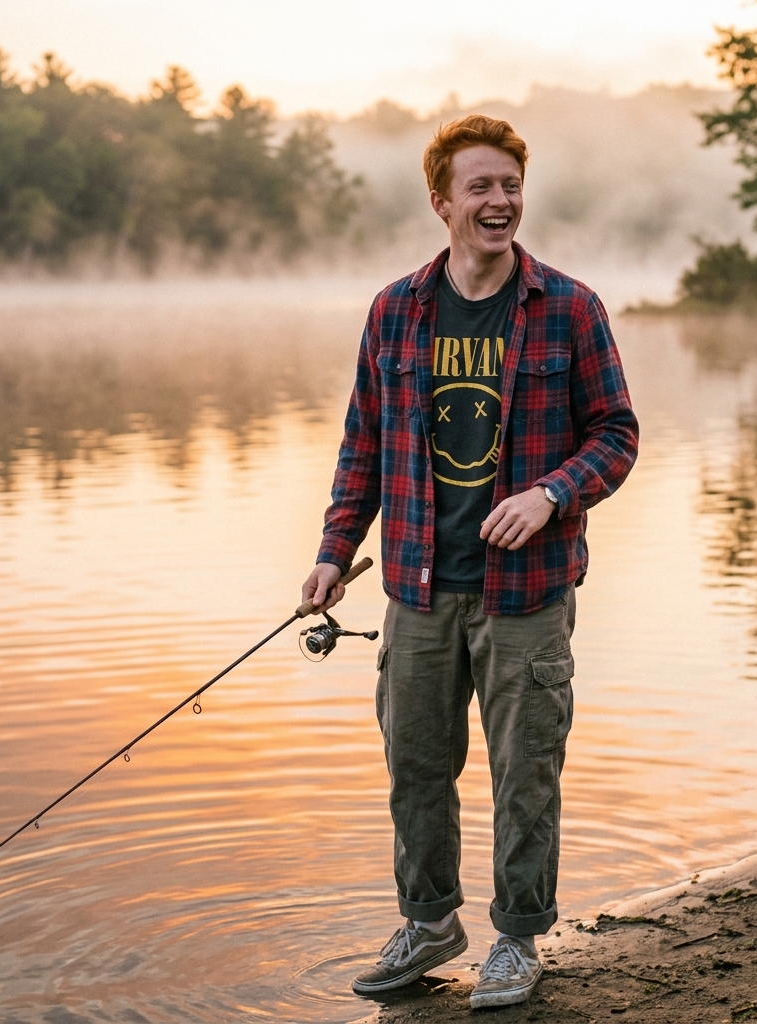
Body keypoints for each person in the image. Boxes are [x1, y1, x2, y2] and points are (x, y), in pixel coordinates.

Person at [301, 114, 638, 1009]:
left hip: (525, 594)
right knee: (415, 765)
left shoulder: (569, 307)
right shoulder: (396, 309)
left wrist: (551, 495)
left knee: (526, 771)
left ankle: (518, 939)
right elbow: (362, 445)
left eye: (510, 186)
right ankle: (429, 922)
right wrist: (336, 554)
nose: (500, 202)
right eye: (480, 187)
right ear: (442, 202)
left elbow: (616, 434)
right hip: (415, 585)